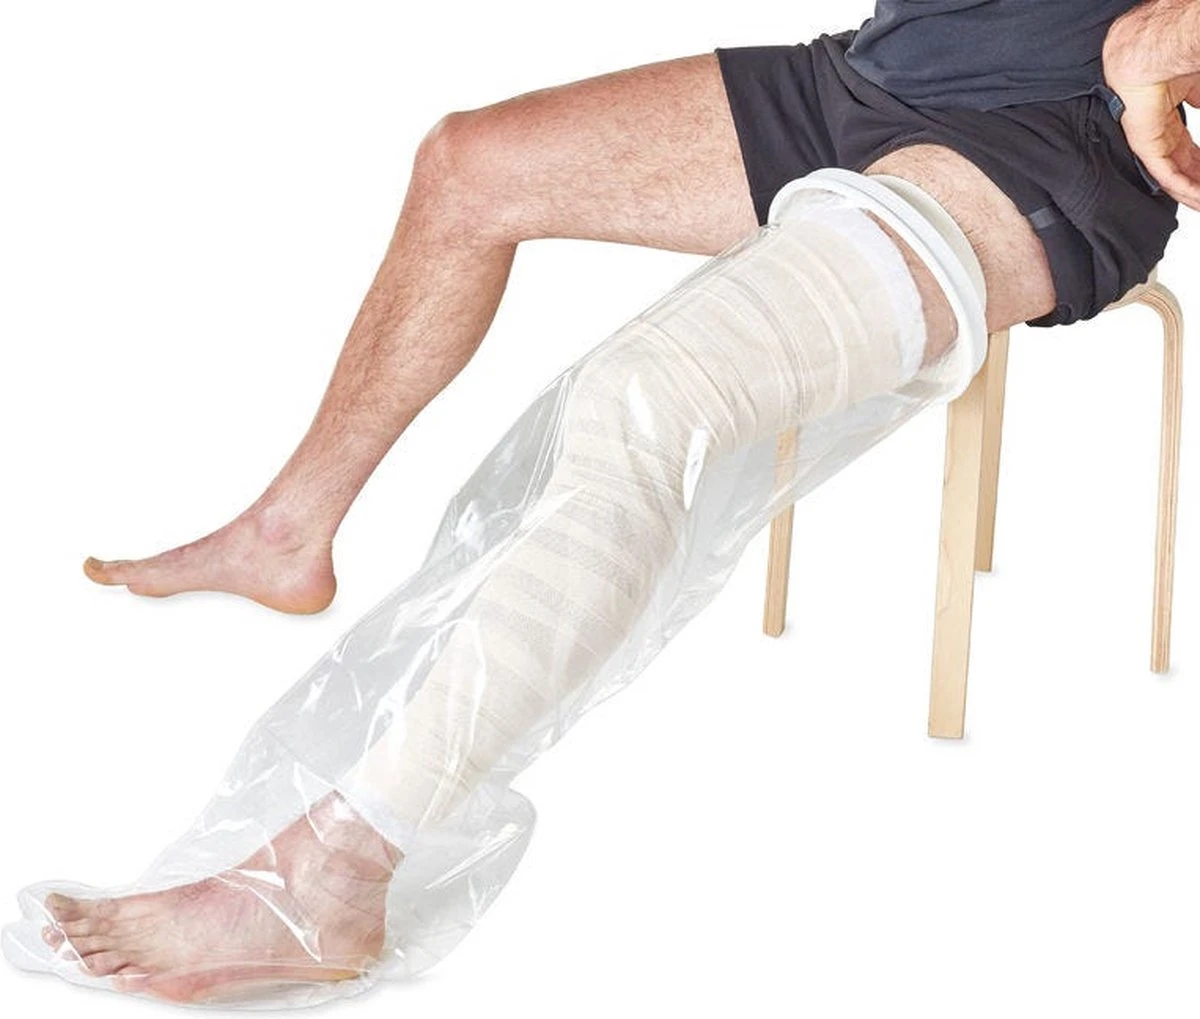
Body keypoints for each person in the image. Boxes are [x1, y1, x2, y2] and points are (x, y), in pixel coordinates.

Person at [20, 0, 1200, 1006]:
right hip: (882, 74)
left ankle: (339, 871)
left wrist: (1166, 39)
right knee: (469, 165)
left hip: (1047, 140)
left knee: (646, 397)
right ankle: (288, 533)